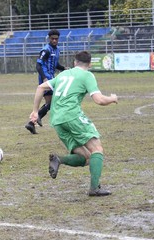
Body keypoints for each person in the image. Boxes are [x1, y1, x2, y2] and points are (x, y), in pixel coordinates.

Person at [29, 51, 118, 197]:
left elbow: (40, 88)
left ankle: (59, 159)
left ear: (74, 62)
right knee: (97, 149)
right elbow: (99, 100)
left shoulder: (63, 74)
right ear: (89, 64)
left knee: (86, 157)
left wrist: (35, 112)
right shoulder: (87, 75)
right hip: (72, 116)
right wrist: (112, 98)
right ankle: (94, 188)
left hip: (57, 120)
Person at [25, 29, 68, 134]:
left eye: (56, 39)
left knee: (51, 102)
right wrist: (44, 78)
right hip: (46, 78)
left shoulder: (57, 50)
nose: (54, 41)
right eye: (52, 39)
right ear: (49, 39)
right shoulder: (46, 50)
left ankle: (32, 122)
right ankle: (37, 117)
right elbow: (38, 65)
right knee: (55, 101)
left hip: (52, 78)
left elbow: (55, 64)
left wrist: (65, 69)